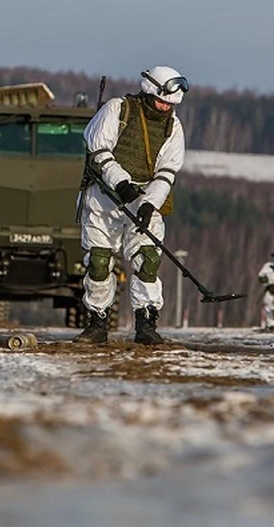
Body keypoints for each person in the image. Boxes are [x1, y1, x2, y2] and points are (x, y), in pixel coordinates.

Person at [73, 65, 188, 345]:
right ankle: (97, 321)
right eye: (161, 101)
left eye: (170, 104)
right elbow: (99, 150)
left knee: (148, 260)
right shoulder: (118, 109)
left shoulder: (173, 127)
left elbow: (167, 172)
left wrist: (150, 204)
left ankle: (146, 323)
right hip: (104, 197)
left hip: (144, 197)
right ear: (149, 91)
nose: (165, 108)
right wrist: (120, 182)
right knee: (99, 261)